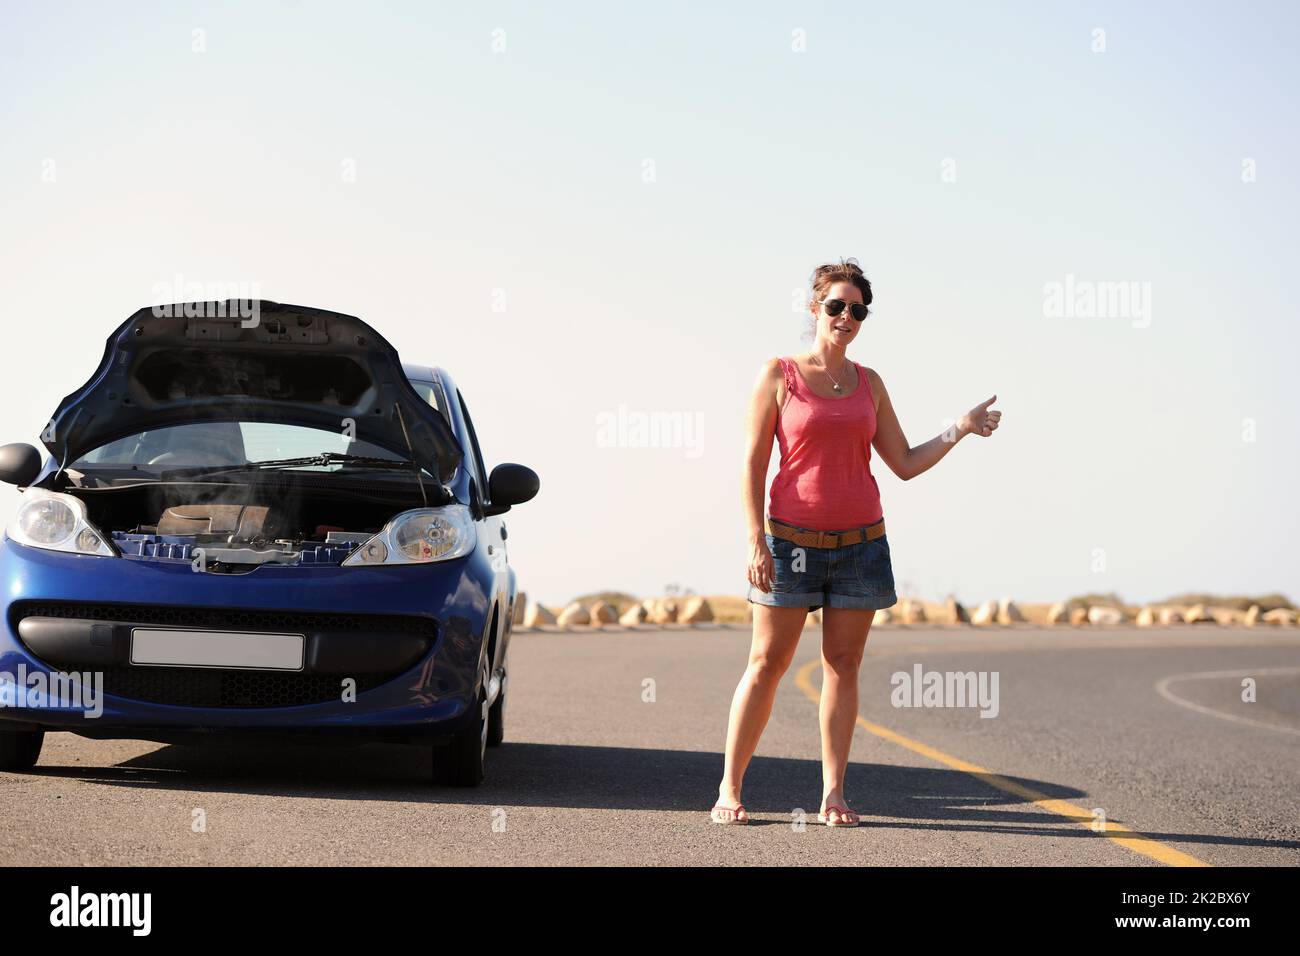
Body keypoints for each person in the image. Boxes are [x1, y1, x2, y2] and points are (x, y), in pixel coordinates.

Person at [711, 258, 1001, 826]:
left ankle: (834, 794)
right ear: (813, 307)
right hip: (789, 543)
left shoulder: (870, 383)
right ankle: (730, 787)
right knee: (767, 662)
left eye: (857, 310)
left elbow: (905, 462)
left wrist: (960, 428)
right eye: (836, 305)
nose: (846, 316)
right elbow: (751, 463)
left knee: (843, 665)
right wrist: (754, 540)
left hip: (861, 546)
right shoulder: (778, 375)